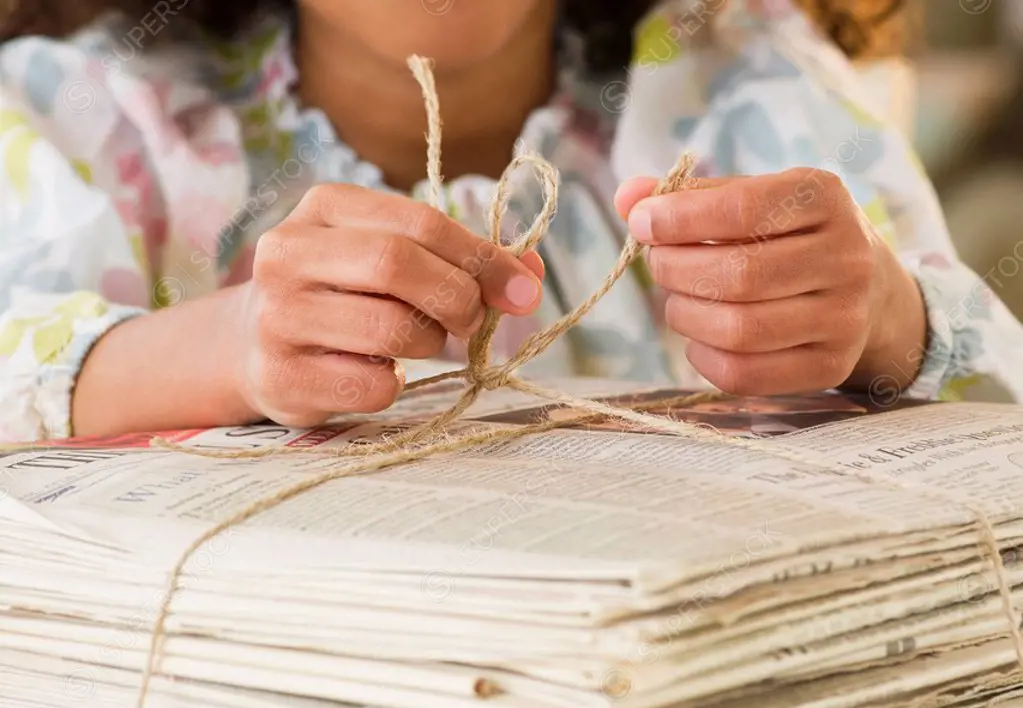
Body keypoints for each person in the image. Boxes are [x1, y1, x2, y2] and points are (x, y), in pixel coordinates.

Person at [0, 0, 1020, 442]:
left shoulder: (749, 89)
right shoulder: (83, 117)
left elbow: (992, 415)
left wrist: (884, 320)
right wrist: (219, 346)